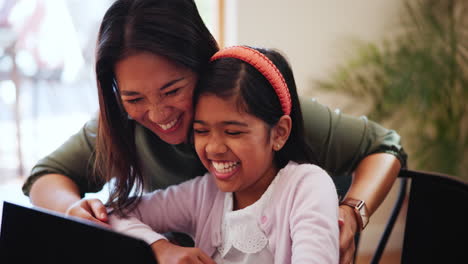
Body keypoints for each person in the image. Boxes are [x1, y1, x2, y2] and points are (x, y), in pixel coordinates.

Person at [21, 0, 406, 263]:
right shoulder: (185, 180)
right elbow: (45, 177)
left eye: (172, 90)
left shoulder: (267, 118)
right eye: (135, 97)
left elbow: (385, 146)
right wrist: (80, 212)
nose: (156, 113)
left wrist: (352, 212)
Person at [110, 45, 340, 264]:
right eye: (201, 131)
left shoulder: (307, 186)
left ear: (279, 133)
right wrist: (159, 246)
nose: (214, 148)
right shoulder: (203, 193)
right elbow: (117, 214)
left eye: (233, 132)